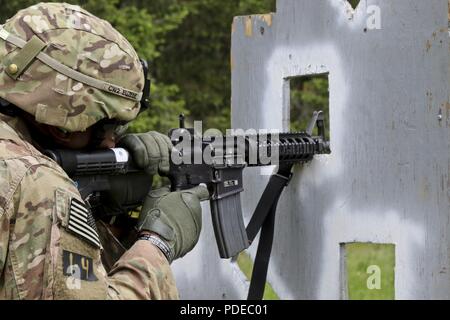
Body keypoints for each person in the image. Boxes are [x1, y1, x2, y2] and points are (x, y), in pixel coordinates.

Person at [0, 2, 208, 299]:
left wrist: (107, 217)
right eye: (109, 126)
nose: (113, 143)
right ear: (65, 121)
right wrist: (156, 244)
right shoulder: (37, 184)